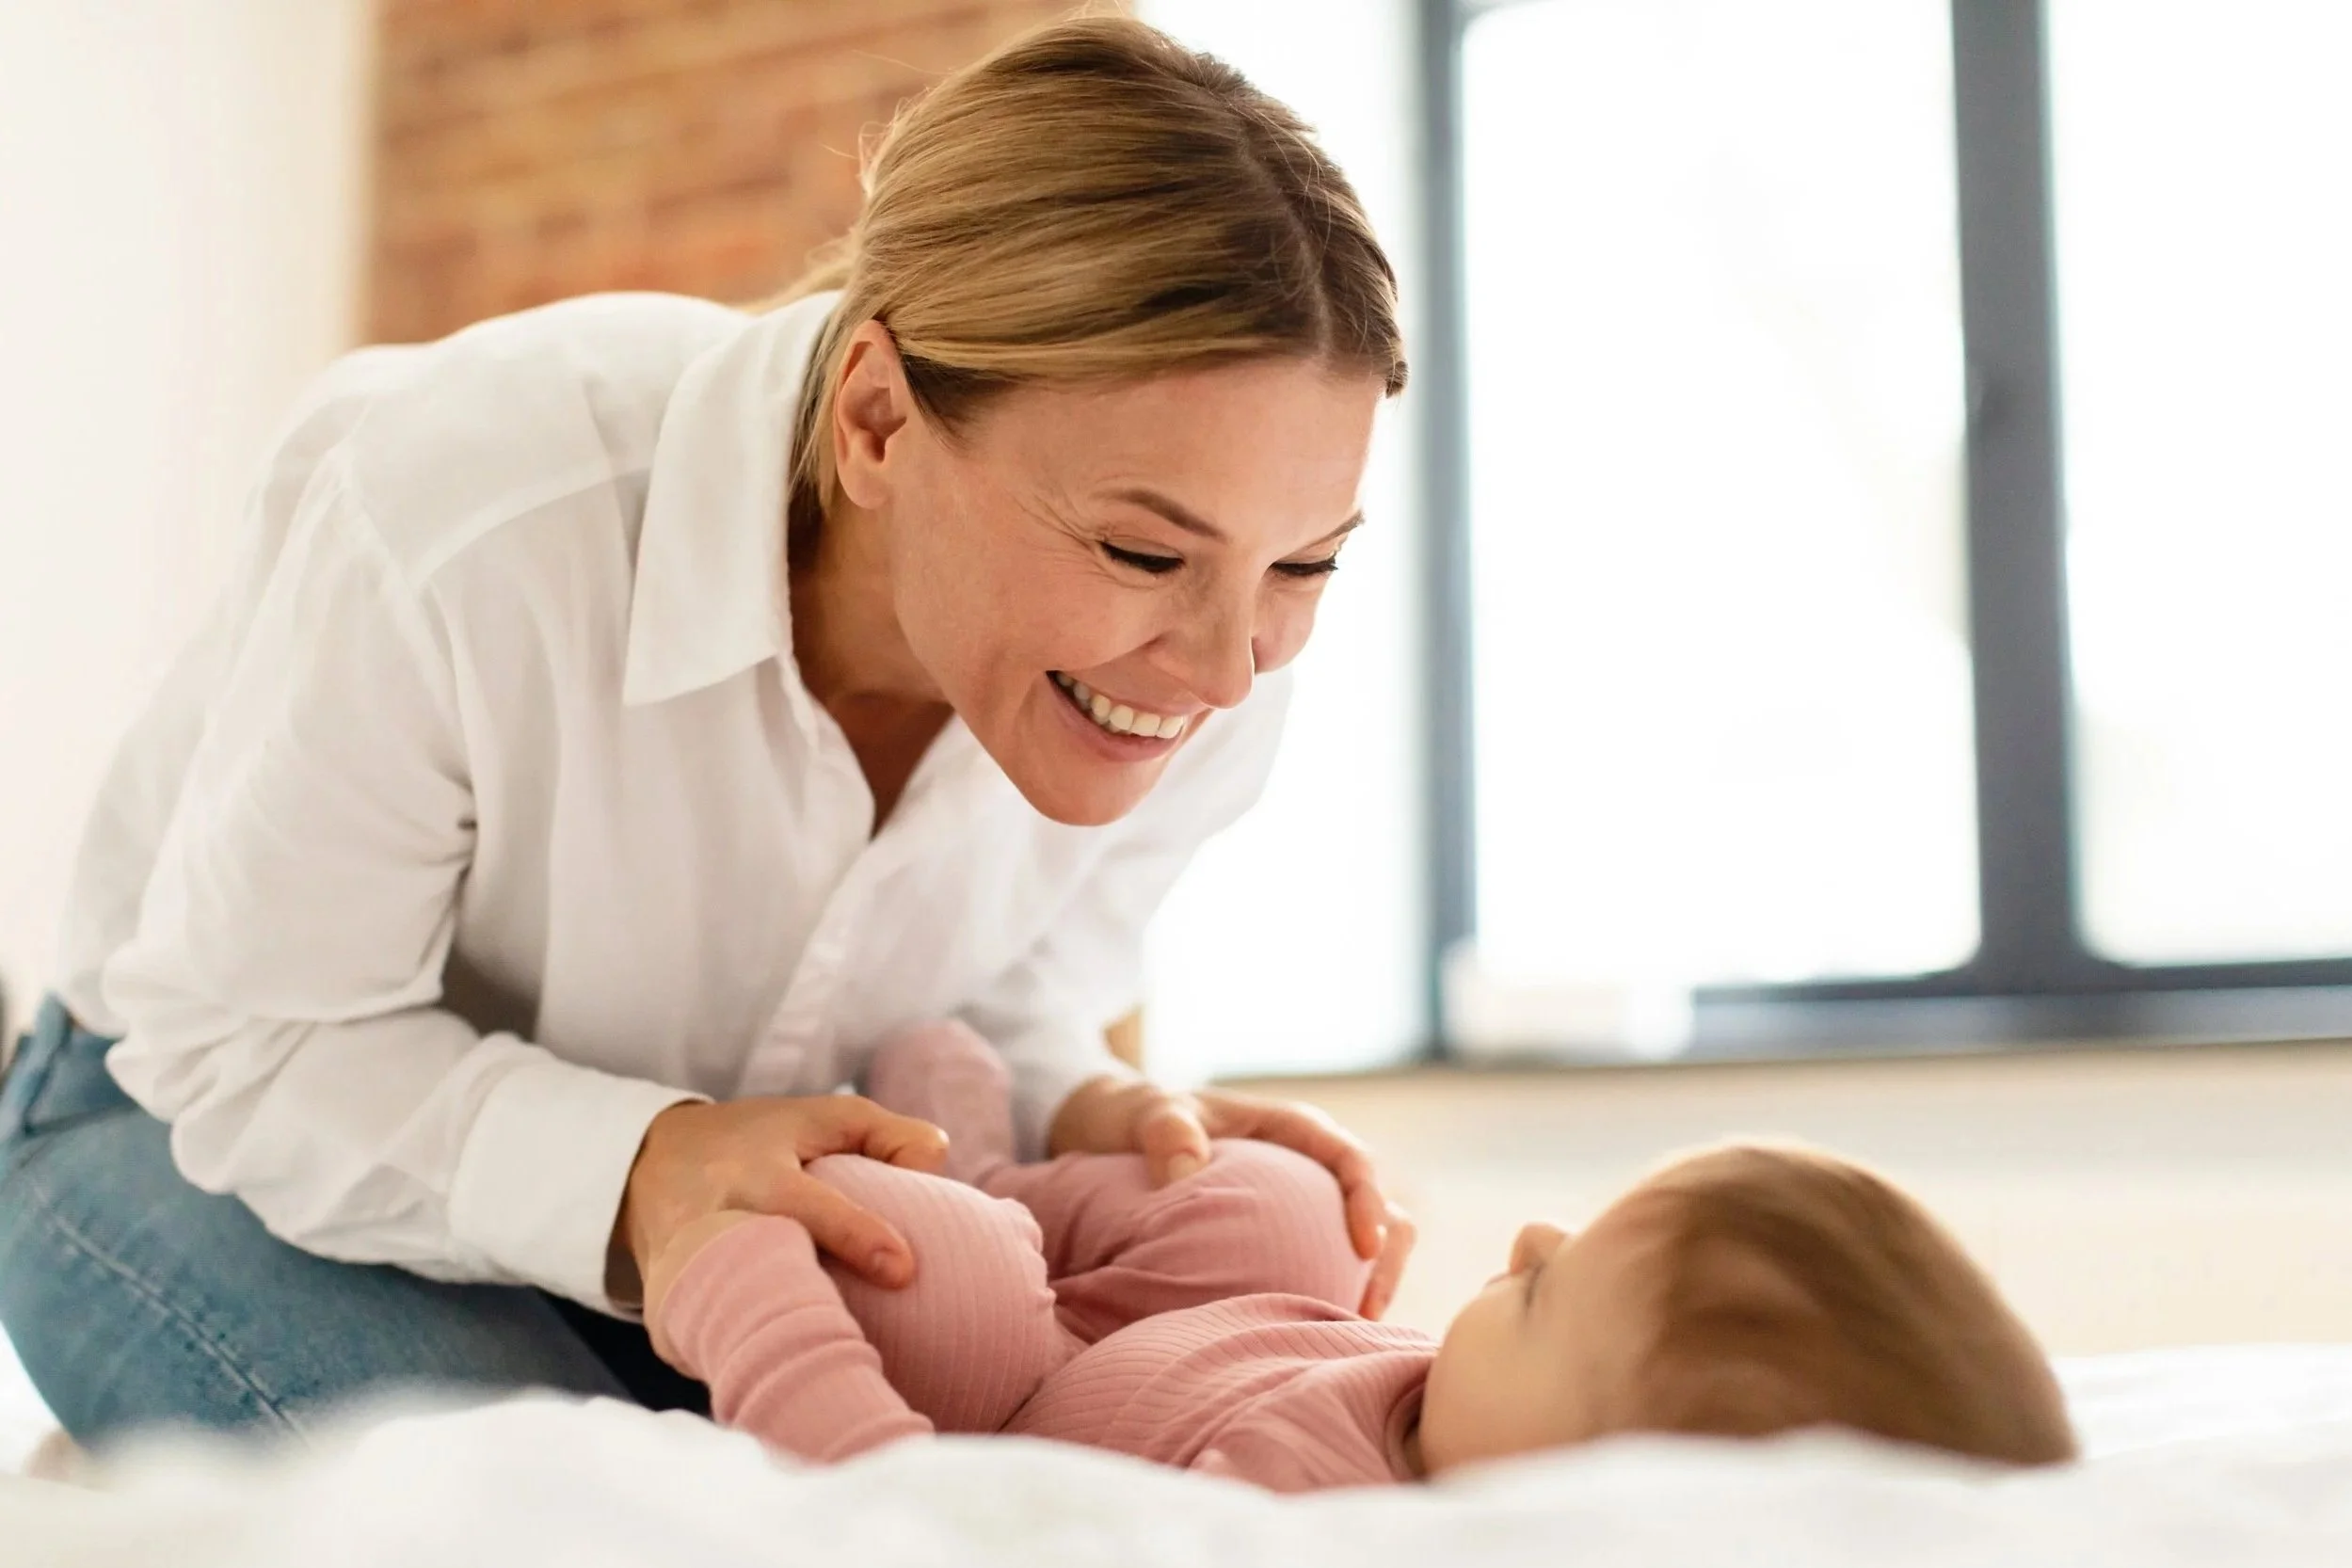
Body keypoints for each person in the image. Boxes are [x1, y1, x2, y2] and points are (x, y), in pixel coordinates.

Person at [0, 17, 1416, 1445]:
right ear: (875, 417)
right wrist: (649, 1165)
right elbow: (246, 1039)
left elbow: (974, 1001)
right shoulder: (480, 514)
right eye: (1139, 551)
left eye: (1307, 563)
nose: (1233, 669)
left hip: (707, 1218)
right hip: (179, 1123)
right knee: (616, 1514)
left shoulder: (1198, 669)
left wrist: (1096, 1108)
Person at [648, 1023, 2079, 1488]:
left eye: (1555, 1285)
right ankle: (1004, 1172)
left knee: (918, 1264)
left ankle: (940, 1204)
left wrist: (757, 1310)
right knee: (1285, 1211)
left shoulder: (1311, 1527)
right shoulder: (1459, 1412)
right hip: (1144, 1337)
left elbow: (922, 1532)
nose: (1532, 1234)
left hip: (1013, 1407)